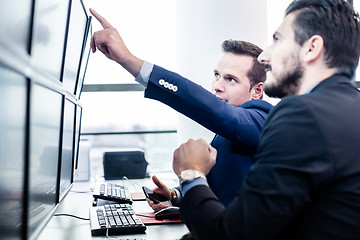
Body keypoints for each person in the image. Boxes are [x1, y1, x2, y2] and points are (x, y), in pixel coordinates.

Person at [171, 0, 360, 239]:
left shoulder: (301, 115)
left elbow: (231, 235)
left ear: (312, 48)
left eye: (278, 40)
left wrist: (191, 174)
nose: (265, 56)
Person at [89, 8, 272, 208]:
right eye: (217, 75)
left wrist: (127, 59)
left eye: (231, 79)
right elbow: (220, 193)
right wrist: (174, 196)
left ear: (256, 91)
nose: (217, 86)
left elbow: (217, 112)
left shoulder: (262, 120)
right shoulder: (227, 131)